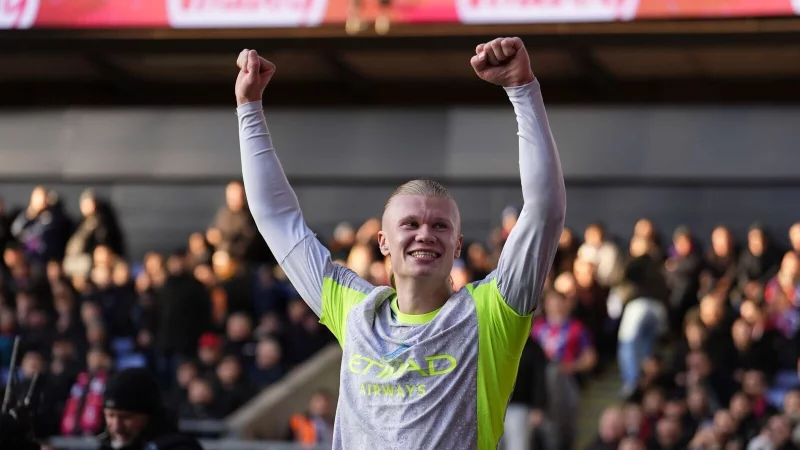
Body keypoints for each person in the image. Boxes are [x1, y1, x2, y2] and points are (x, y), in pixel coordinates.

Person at [235, 36, 566, 449]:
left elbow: (545, 210)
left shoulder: (492, 314)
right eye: (410, 224)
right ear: (383, 242)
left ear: (458, 244)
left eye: (440, 227)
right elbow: (277, 220)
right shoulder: (355, 310)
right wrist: (248, 110)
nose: (425, 233)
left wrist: (522, 90)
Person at [99, 368, 203, 450]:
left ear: (148, 415)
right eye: (110, 415)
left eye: (126, 417)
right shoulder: (108, 446)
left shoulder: (179, 447)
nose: (117, 427)